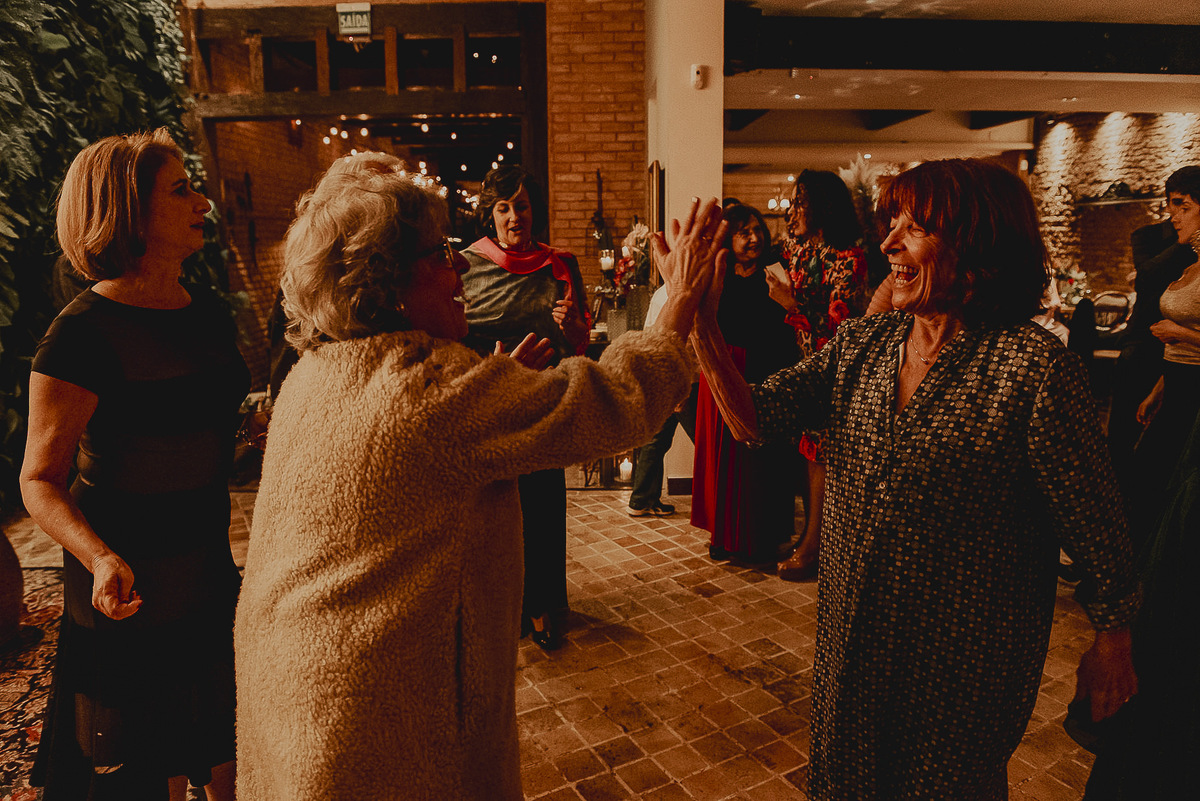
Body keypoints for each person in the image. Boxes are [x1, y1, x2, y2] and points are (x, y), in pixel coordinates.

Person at [233, 152, 720, 800]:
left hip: (291, 697)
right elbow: (611, 400)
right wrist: (675, 305)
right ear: (389, 282)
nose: (462, 263)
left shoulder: (311, 374)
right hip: (376, 730)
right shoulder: (430, 388)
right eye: (440, 253)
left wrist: (496, 383)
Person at [689, 158, 1139, 800]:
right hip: (853, 659)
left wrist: (1113, 636)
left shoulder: (1033, 370)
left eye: (914, 227)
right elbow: (753, 421)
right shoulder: (863, 345)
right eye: (889, 223)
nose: (889, 243)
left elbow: (1097, 523)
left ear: (977, 243)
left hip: (959, 673)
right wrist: (701, 321)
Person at [20, 129, 245, 800]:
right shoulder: (78, 336)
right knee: (150, 771)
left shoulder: (206, 314)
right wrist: (98, 557)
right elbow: (38, 480)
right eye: (180, 190)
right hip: (130, 584)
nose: (202, 199)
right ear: (126, 210)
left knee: (226, 744)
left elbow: (203, 422)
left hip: (205, 565)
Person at [763, 170, 868, 580]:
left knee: (823, 458)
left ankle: (815, 548)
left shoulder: (849, 260)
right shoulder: (799, 249)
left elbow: (839, 333)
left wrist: (791, 303)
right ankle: (813, 537)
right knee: (809, 456)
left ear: (823, 206)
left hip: (835, 374)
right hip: (803, 369)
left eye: (800, 203)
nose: (793, 211)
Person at [691, 203, 800, 565]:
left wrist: (788, 304)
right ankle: (725, 537)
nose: (753, 237)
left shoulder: (775, 271)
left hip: (766, 369)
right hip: (722, 370)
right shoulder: (715, 273)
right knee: (724, 462)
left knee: (764, 464)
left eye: (756, 229)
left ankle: (763, 540)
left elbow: (790, 324)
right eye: (743, 232)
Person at [1123, 168, 1200, 546]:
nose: (1173, 216)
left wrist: (1179, 332)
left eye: (1182, 206)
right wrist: (1160, 388)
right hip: (1176, 384)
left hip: (1195, 396)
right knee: (1144, 474)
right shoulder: (1190, 265)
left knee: (1164, 483)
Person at [626, 283, 698, 517]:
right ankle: (719, 503)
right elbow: (678, 340)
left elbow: (650, 333)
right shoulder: (685, 291)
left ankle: (641, 499)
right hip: (685, 377)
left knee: (656, 440)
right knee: (707, 442)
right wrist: (680, 384)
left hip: (663, 374)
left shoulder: (662, 291)